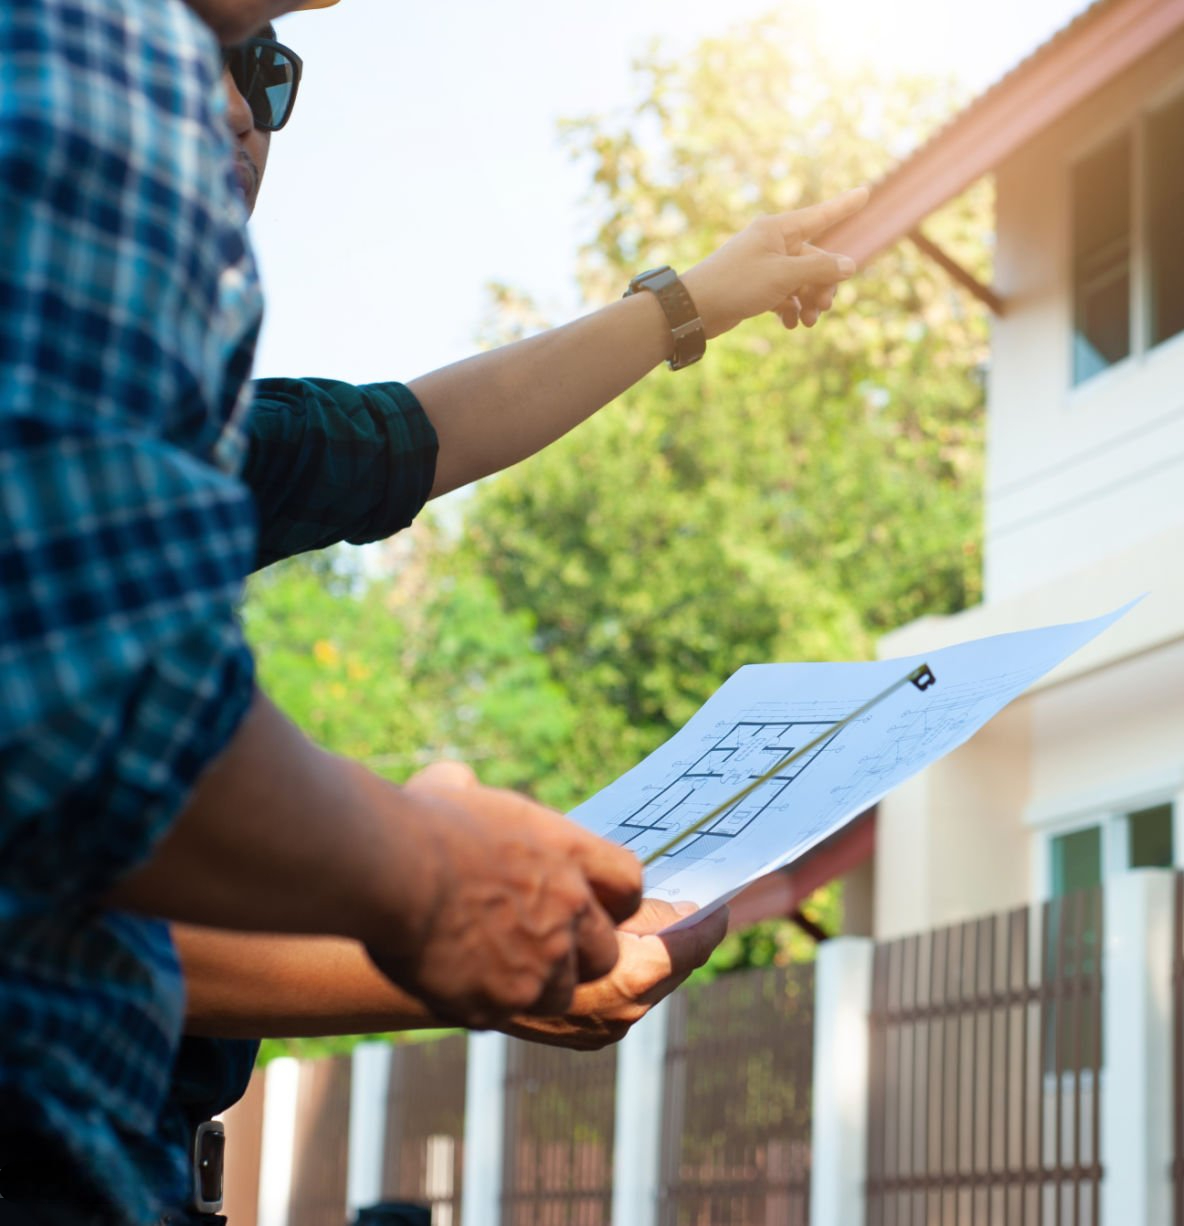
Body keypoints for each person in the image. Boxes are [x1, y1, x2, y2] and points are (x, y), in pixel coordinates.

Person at [0, 1, 850, 1220]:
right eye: (199, 45)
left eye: (266, 67)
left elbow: (408, 435)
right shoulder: (75, 68)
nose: (238, 108)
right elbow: (93, 757)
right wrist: (439, 892)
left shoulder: (191, 434)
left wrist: (696, 299)